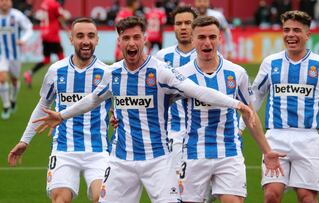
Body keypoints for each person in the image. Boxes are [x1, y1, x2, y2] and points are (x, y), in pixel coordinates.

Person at [31, 16, 263, 203]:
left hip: (158, 160)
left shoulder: (161, 71)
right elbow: (92, 99)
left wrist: (236, 104)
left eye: (136, 37)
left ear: (144, 40)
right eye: (126, 38)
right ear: (118, 41)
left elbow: (197, 90)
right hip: (121, 160)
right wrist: (62, 115)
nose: (131, 43)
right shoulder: (113, 73)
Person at [178, 16, 285, 203]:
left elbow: (249, 115)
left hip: (229, 152)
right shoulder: (181, 75)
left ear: (220, 38)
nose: (207, 42)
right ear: (193, 39)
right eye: (201, 37)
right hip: (193, 153)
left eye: (212, 37)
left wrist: (267, 151)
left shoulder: (236, 73)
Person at [250, 11, 319, 203]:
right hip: (275, 137)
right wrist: (240, 127)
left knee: (307, 198)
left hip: (308, 139)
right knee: (271, 194)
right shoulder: (270, 63)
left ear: (307, 35)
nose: (290, 35)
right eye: (286, 30)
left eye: (297, 30)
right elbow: (256, 96)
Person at [8, 17, 111, 203]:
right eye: (80, 36)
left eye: (90, 36)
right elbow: (43, 105)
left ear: (97, 39)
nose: (85, 41)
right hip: (64, 149)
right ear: (70, 39)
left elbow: (122, 106)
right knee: (60, 199)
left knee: (102, 198)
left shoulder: (107, 73)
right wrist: (25, 140)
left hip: (98, 150)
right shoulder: (56, 70)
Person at [155, 5, 198, 177]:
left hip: (200, 129)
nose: (183, 27)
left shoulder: (208, 55)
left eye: (188, 23)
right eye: (179, 23)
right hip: (171, 129)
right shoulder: (162, 57)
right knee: (174, 183)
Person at [0, 0, 33, 119]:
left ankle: (13, 99)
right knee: (2, 78)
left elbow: (29, 27)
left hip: (15, 54)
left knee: (14, 80)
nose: (4, 3)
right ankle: (6, 105)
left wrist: (23, 39)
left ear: (11, 2)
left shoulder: (16, 15)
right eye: (2, 0)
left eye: (7, 0)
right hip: (1, 54)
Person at [23, 0, 67, 88]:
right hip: (52, 35)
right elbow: (62, 17)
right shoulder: (55, 4)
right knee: (62, 59)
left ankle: (29, 73)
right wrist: (66, 27)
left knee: (47, 59)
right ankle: (63, 80)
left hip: (44, 33)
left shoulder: (45, 3)